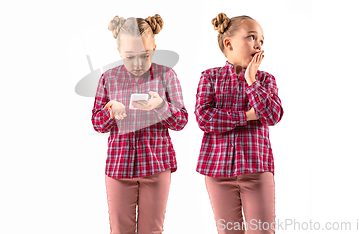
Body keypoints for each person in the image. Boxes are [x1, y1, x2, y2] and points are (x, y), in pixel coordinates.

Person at [91, 14, 188, 234]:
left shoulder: (167, 75)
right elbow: (97, 123)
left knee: (152, 231)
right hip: (119, 167)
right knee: (120, 231)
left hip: (156, 166)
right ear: (119, 52)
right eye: (129, 56)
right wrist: (110, 112)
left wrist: (161, 105)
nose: (137, 63)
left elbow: (181, 120)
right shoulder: (108, 78)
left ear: (154, 47)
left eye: (145, 55)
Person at [195, 12, 284, 234]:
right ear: (229, 43)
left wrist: (251, 80)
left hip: (257, 170)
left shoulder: (266, 80)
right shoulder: (209, 77)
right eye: (252, 37)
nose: (258, 45)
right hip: (217, 171)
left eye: (262, 41)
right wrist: (246, 116)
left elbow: (272, 116)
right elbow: (204, 118)